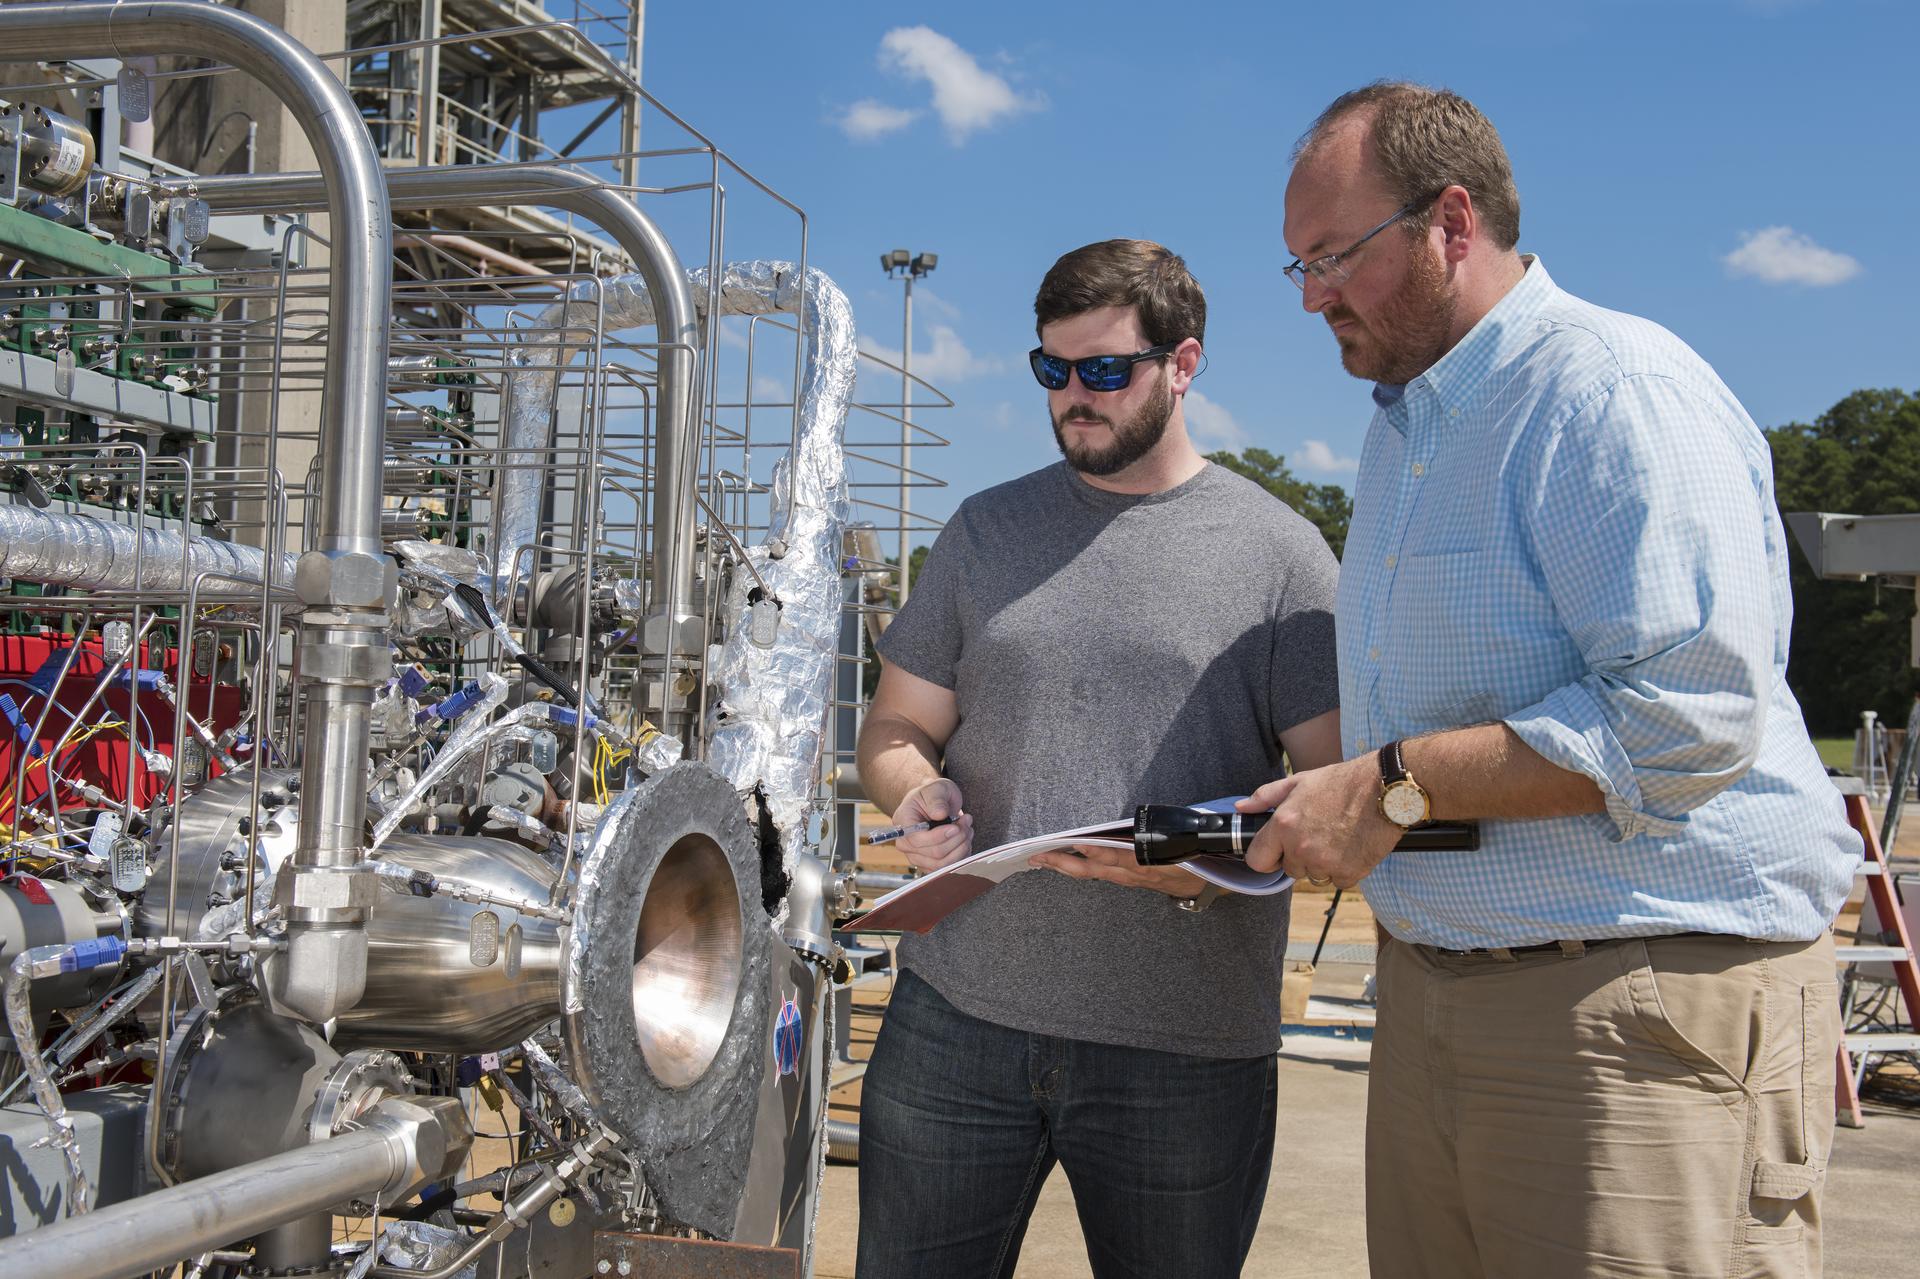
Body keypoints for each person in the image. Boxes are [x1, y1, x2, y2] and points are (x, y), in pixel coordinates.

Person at [1246, 82, 1863, 1278]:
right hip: (1439, 999)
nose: (1313, 296)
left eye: (1334, 256)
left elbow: (1688, 713)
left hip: (1637, 1013)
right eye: (1297, 267)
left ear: (1452, 224)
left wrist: (1386, 787)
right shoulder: (1406, 431)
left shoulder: (1609, 391)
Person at [853, 238, 1343, 1279]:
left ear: (1185, 364)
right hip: (955, 1022)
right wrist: (917, 788)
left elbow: (1334, 802)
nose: (1076, 396)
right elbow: (893, 731)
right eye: (1053, 370)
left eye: (1107, 371)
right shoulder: (986, 531)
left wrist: (1190, 855)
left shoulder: (1283, 557)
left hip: (1184, 1053)